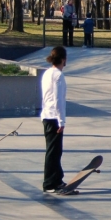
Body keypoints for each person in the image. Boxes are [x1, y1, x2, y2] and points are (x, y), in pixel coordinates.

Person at [41, 46, 68, 193]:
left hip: (47, 115)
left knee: (54, 150)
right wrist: (61, 121)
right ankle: (50, 182)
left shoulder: (47, 73)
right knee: (54, 151)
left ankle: (57, 178)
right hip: (54, 118)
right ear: (63, 59)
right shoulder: (58, 75)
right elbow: (58, 99)